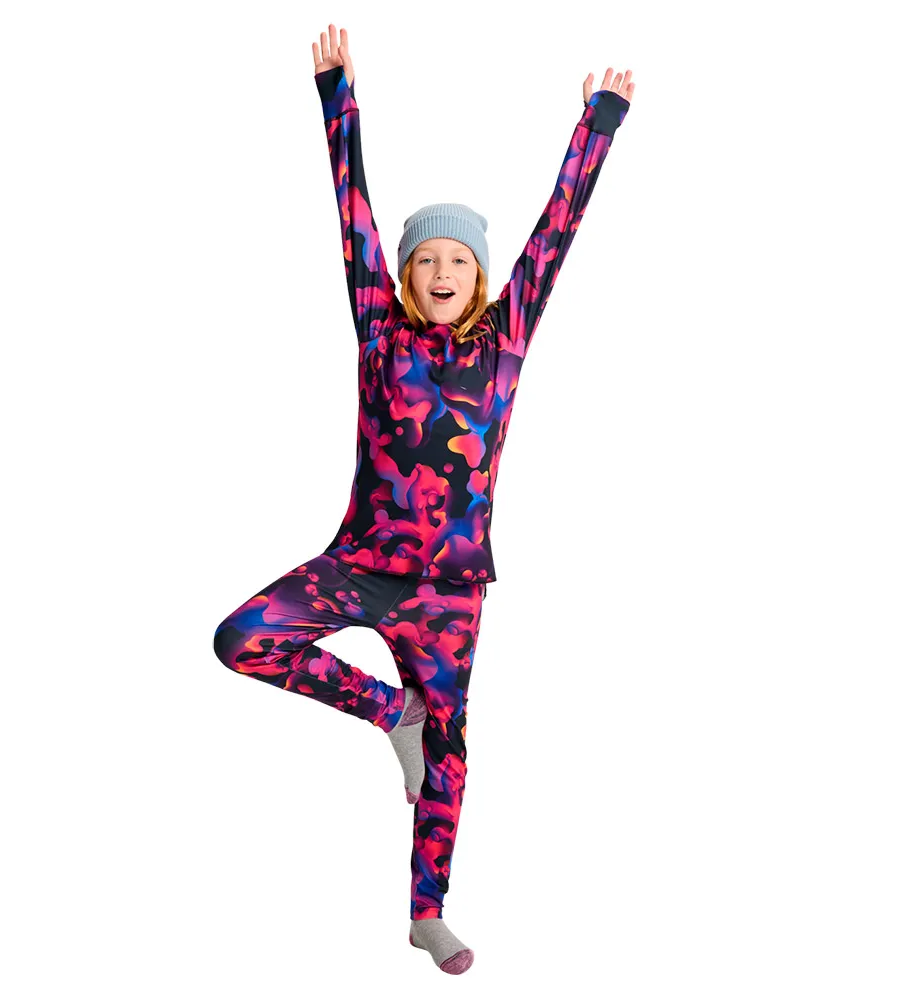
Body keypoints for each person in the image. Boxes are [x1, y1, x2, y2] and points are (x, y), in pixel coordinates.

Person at [212, 23, 634, 975]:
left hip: (450, 592)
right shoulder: (380, 332)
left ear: (481, 278)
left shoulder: (506, 340)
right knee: (242, 639)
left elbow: (556, 232)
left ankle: (427, 913)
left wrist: (598, 123)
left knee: (451, 750)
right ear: (404, 278)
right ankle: (387, 712)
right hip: (358, 565)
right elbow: (352, 210)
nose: (443, 273)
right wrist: (338, 98)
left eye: (459, 261)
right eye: (426, 260)